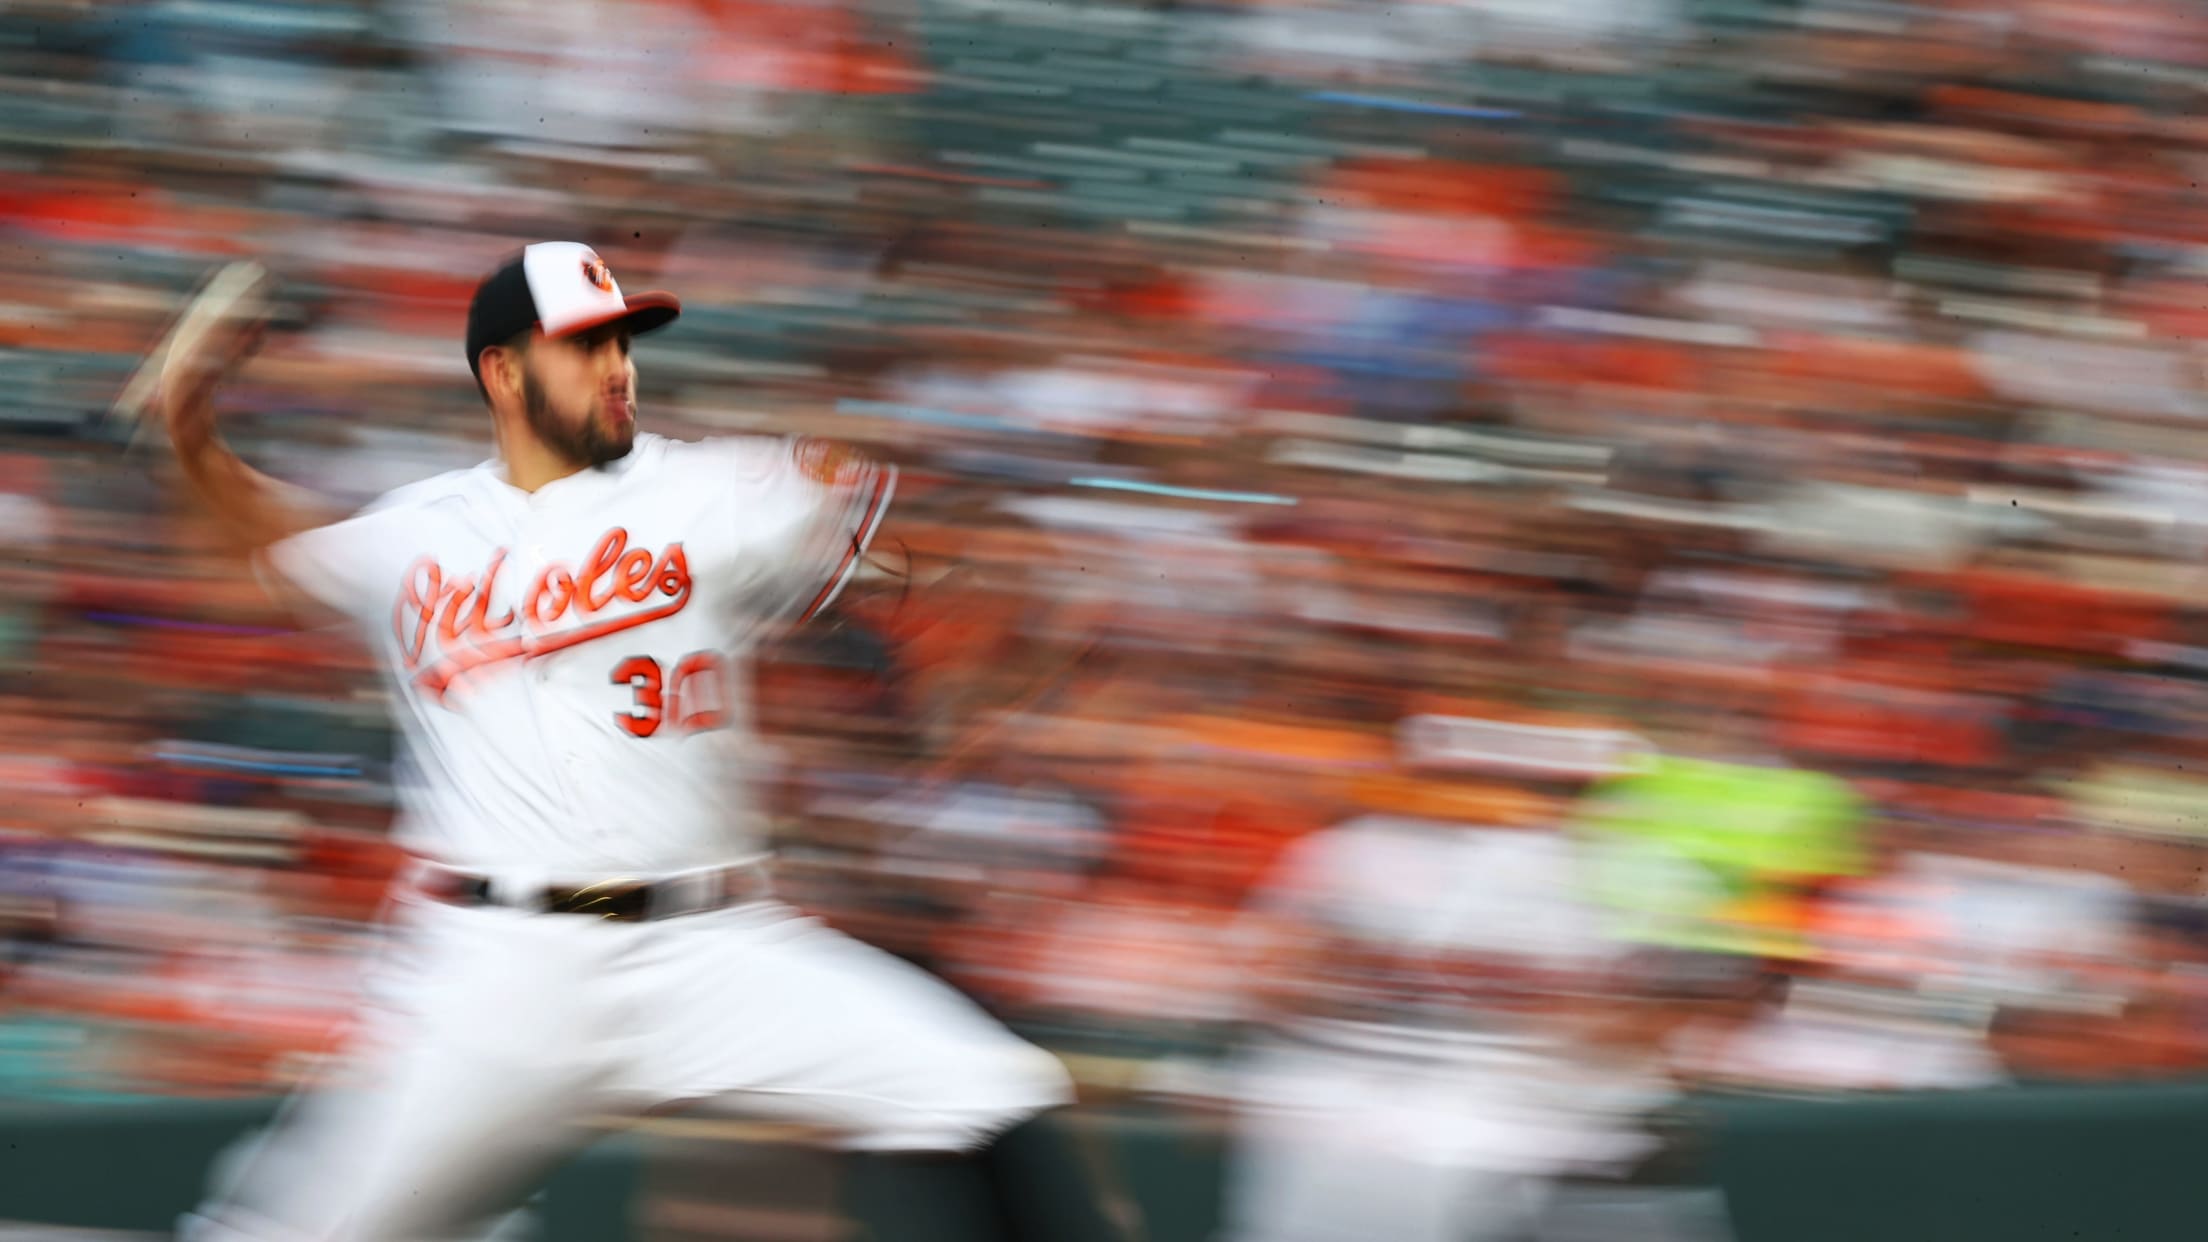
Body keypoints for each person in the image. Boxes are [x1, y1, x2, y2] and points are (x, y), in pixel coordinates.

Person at [155, 242, 1122, 1242]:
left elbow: (917, 549)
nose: (617, 366)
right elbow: (267, 539)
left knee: (986, 1092)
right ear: (504, 371)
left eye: (622, 341)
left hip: (710, 949)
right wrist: (192, 437)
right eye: (583, 345)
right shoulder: (413, 533)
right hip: (497, 980)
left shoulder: (723, 489)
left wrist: (961, 611)